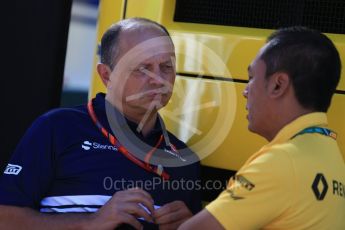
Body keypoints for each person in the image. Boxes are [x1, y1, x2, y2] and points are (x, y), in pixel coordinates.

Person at [0, 17, 201, 230]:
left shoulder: (185, 159)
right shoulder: (58, 127)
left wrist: (190, 227)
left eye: (166, 67)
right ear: (106, 75)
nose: (158, 79)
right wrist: (91, 222)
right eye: (143, 68)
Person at [179, 26, 345, 229]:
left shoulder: (281, 162)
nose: (245, 91)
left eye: (251, 78)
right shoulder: (332, 155)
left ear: (278, 85)